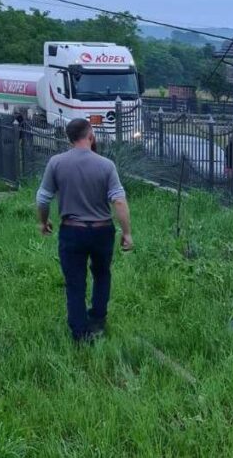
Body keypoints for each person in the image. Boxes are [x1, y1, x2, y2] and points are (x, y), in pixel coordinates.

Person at [37, 118, 133, 343]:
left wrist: (43, 221)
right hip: (102, 231)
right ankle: (98, 319)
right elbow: (118, 201)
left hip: (72, 231)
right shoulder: (106, 165)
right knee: (101, 274)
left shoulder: (56, 162)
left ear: (69, 138)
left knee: (75, 281)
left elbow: (42, 197)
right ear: (90, 135)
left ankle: (80, 332)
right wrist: (126, 232)